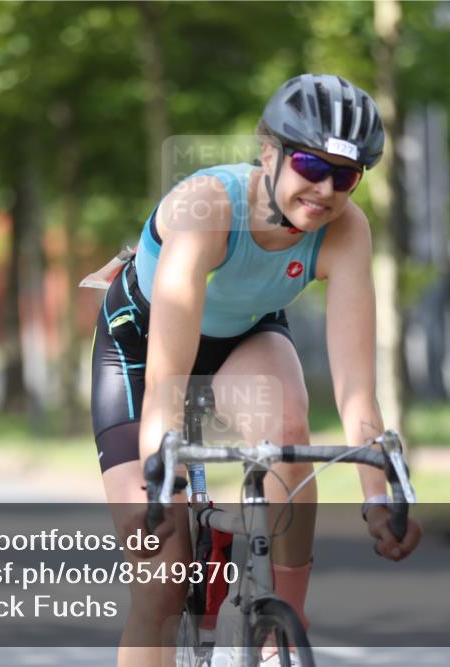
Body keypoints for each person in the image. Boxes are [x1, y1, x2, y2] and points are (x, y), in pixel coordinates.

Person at [89, 73, 423, 665]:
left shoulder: (347, 232)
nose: (324, 190)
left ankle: (279, 625)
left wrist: (380, 501)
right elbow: (169, 379)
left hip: (242, 339)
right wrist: (155, 476)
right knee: (160, 578)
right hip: (143, 351)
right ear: (268, 152)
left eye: (344, 176)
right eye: (308, 165)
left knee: (289, 434)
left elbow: (356, 396)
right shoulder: (207, 208)